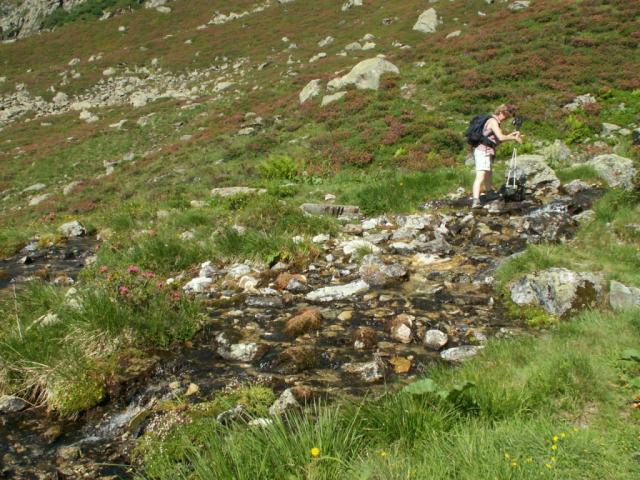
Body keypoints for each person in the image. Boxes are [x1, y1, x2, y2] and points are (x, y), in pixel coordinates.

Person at [472, 104, 523, 208]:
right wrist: (513, 138)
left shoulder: (494, 122)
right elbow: (500, 137)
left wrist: (511, 136)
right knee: (480, 175)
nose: (506, 118)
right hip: (483, 151)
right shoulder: (493, 122)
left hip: (487, 151)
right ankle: (475, 200)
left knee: (488, 173)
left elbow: (497, 140)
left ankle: (489, 192)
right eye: (505, 115)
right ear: (501, 112)